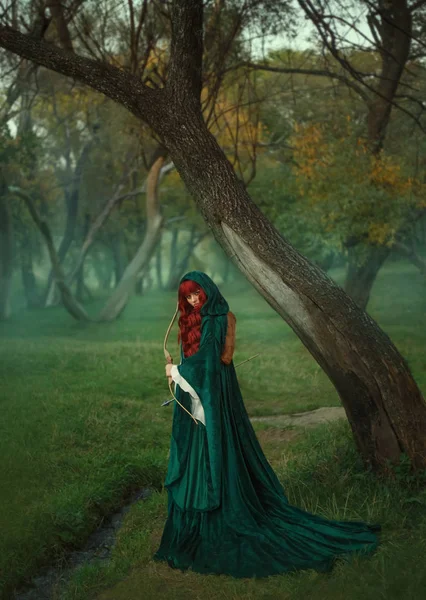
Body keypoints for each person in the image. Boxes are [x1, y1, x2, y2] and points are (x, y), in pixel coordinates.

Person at [153, 271, 381, 578]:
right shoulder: (196, 320)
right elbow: (200, 360)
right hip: (197, 401)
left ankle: (219, 515)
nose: (194, 300)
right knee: (197, 454)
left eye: (197, 294)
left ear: (207, 291)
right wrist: (180, 371)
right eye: (187, 296)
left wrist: (176, 371)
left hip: (210, 401)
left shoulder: (216, 318)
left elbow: (207, 360)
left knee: (213, 454)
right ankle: (194, 519)